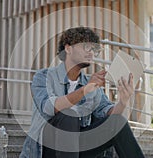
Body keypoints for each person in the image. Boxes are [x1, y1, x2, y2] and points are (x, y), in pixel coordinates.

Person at [20, 27, 144, 158]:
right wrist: (85, 90)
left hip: (77, 147)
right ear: (68, 48)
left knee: (117, 121)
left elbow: (109, 114)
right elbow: (50, 107)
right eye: (86, 47)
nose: (91, 52)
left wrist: (123, 101)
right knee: (68, 114)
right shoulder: (44, 77)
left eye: (93, 49)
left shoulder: (90, 83)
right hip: (48, 147)